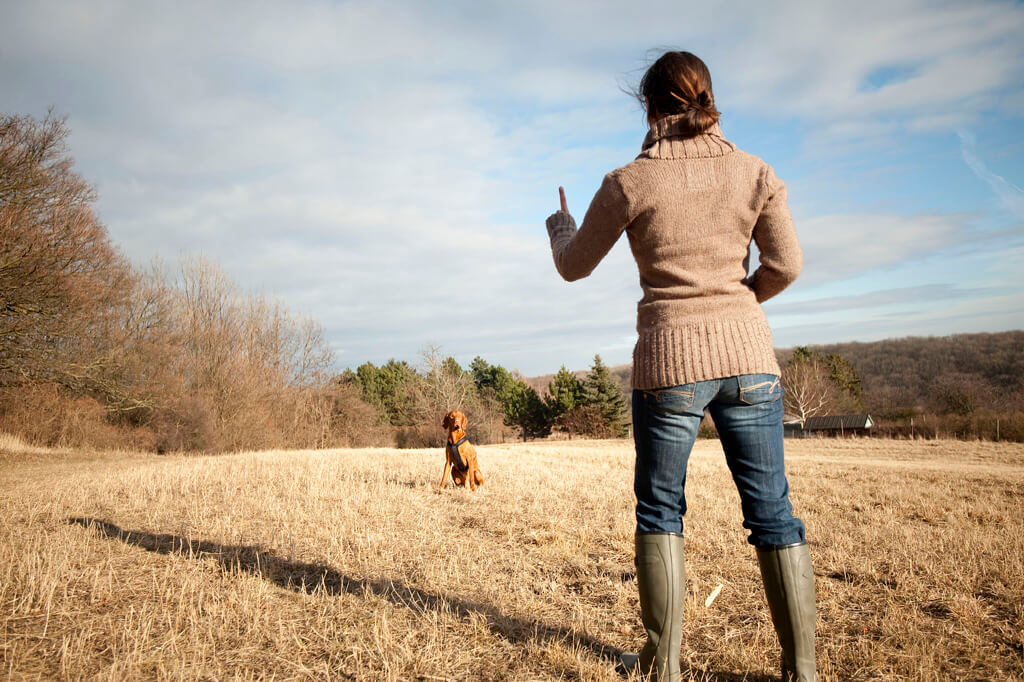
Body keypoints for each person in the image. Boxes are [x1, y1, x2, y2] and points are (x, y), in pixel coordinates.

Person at [544, 51, 815, 681]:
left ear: (650, 105)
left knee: (660, 509)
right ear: (707, 98)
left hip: (670, 362)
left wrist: (559, 224)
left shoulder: (629, 181)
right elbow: (788, 264)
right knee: (772, 511)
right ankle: (803, 670)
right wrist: (743, 298)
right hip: (749, 359)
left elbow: (573, 264)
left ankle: (662, 665)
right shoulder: (756, 172)